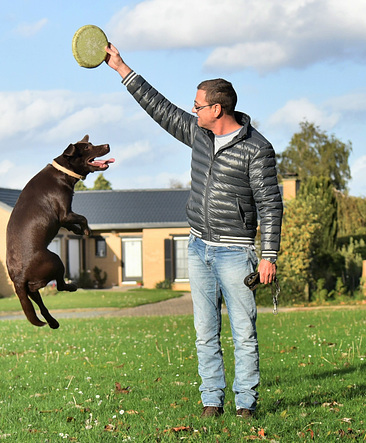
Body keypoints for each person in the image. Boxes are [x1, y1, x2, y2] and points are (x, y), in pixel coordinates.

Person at [104, 43, 283, 419]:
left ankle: (245, 405)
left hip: (236, 252)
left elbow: (270, 205)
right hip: (199, 246)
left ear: (217, 109)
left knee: (243, 335)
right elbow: (161, 109)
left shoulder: (257, 150)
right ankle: (211, 401)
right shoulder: (199, 135)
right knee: (205, 332)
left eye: (198, 105)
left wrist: (268, 256)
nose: (192, 110)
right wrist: (121, 68)